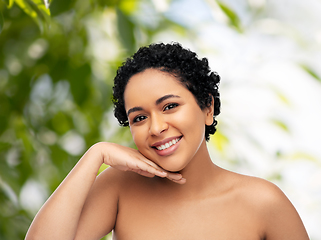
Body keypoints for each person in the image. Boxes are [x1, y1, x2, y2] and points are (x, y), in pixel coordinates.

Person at [25, 42, 309, 240]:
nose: (157, 128)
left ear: (207, 108)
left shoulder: (264, 203)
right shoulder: (120, 187)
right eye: (139, 118)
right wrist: (95, 155)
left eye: (170, 106)